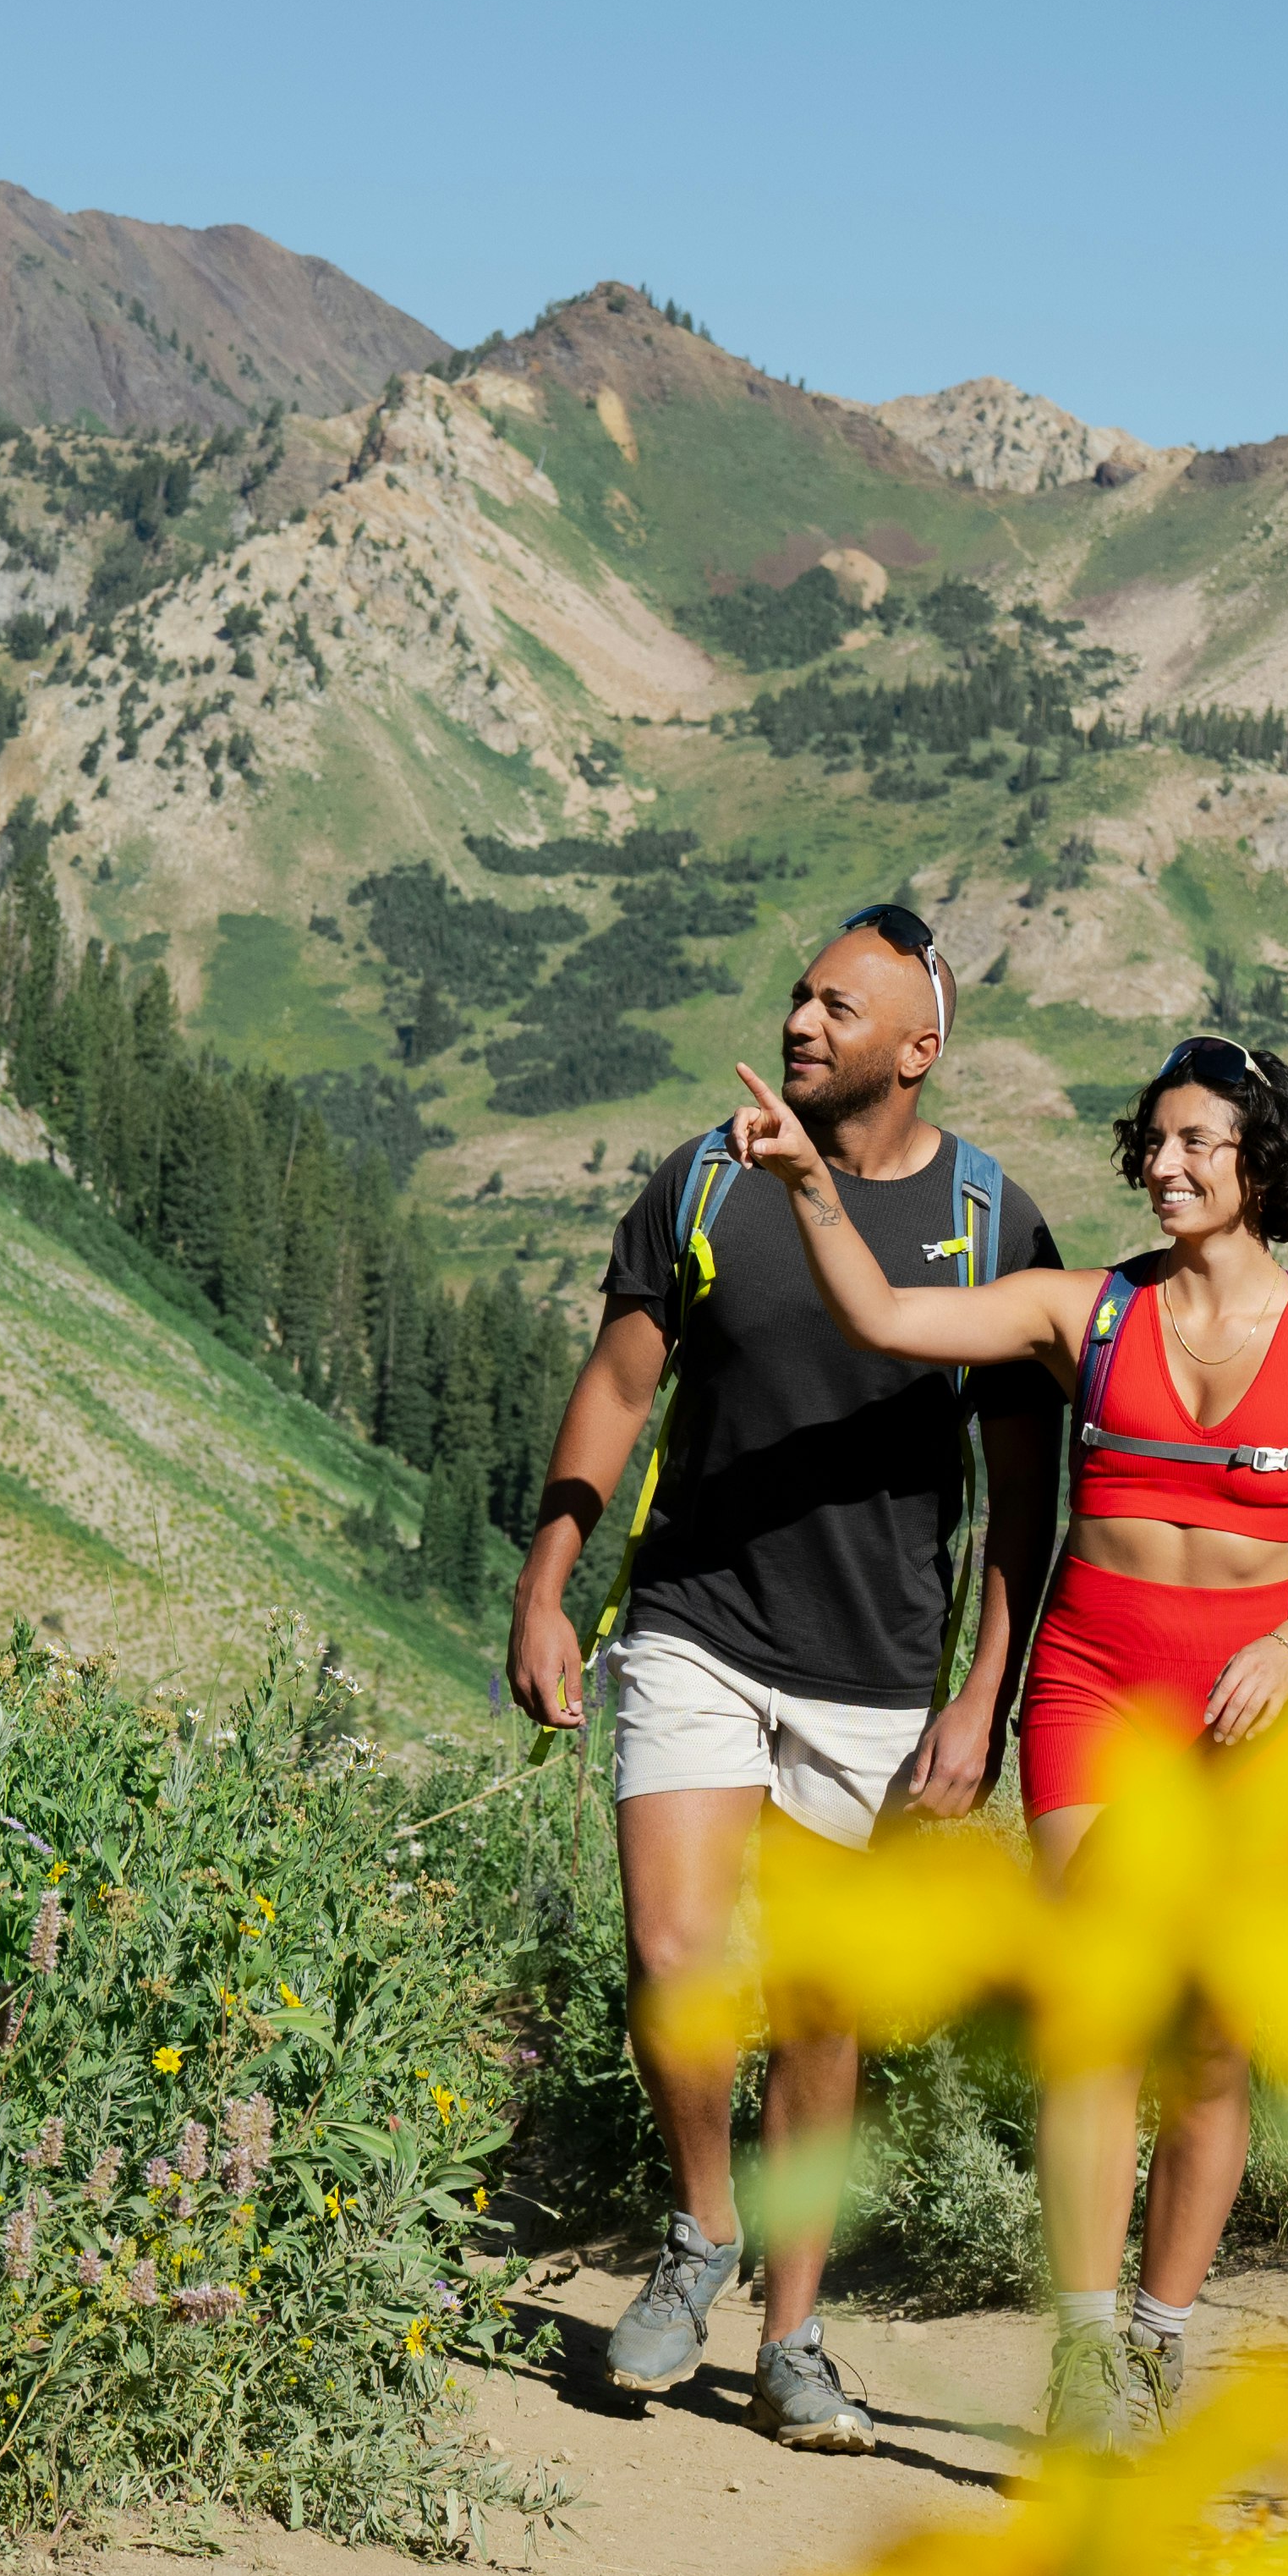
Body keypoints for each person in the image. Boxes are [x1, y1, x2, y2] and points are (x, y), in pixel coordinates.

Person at [721, 1027, 1288, 2444]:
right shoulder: (1083, 1311)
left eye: (1195, 1142)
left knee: (1210, 2038)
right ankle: (1088, 2359)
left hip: (1252, 1709)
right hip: (1094, 1685)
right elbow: (890, 1320)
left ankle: (1159, 2337)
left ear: (1261, 1163)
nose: (1162, 1164)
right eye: (1151, 1141)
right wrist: (808, 1188)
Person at [508, 898, 1064, 2453]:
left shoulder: (990, 1222)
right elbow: (620, 1388)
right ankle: (700, 2240)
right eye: (798, 998)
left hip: (878, 1671)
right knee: (678, 1956)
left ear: (918, 1047)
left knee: (825, 2010)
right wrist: (547, 1583)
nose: (802, 1024)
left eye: (838, 1007)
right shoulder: (704, 1178)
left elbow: (1026, 1497)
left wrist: (986, 1695)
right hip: (694, 1620)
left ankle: (798, 2339)